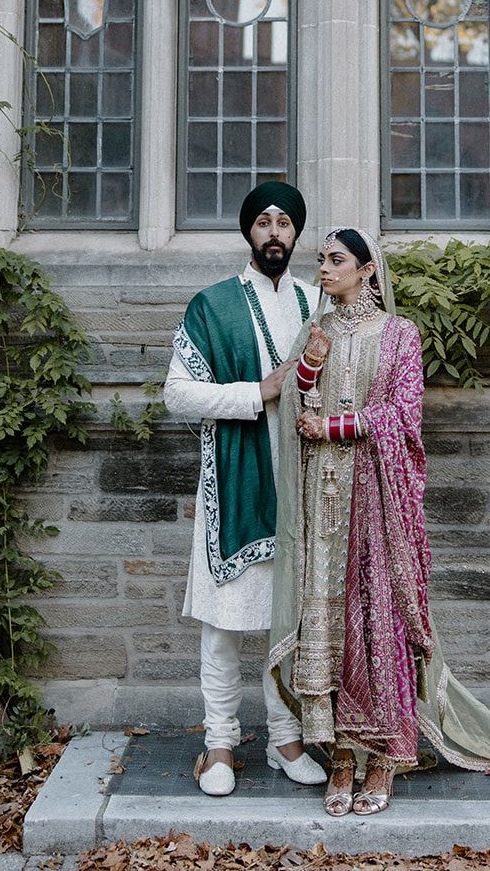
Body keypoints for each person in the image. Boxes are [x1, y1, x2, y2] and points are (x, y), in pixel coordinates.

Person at [268, 228, 490, 817]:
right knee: (328, 618)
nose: (323, 269)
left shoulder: (400, 334)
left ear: (367, 270)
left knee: (380, 613)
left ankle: (385, 756)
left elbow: (404, 414)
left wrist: (335, 427)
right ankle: (342, 755)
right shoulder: (316, 330)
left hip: (378, 494)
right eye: (321, 260)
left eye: (336, 260)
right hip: (323, 496)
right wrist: (310, 367)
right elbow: (297, 405)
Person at [163, 182, 327, 798]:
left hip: (303, 485)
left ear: (297, 233)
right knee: (226, 623)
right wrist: (260, 390)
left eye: (285, 222)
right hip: (233, 483)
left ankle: (286, 739)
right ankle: (220, 744)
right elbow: (178, 394)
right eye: (263, 222)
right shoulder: (212, 305)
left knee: (289, 621)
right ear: (248, 232)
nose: (274, 232)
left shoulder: (318, 302)